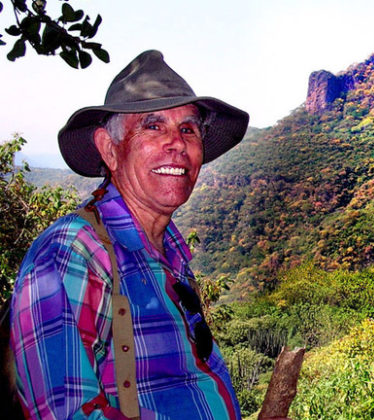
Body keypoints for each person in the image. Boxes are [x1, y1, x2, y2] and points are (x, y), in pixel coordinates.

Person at [9, 50, 249, 419]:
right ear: (109, 149)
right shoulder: (73, 251)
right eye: (153, 126)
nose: (178, 143)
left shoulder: (169, 253)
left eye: (188, 129)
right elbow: (67, 412)